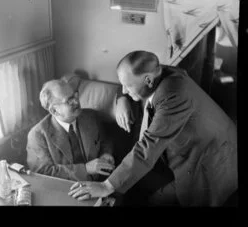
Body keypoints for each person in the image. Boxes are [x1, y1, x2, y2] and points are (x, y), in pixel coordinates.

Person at [68, 51, 237, 206]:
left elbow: (147, 148)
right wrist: (121, 99)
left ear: (148, 80)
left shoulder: (173, 96)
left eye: (128, 86)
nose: (125, 90)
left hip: (209, 160)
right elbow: (131, 78)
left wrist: (106, 186)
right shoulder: (161, 71)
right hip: (184, 152)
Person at [26, 79, 115, 182]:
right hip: (64, 191)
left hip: (99, 184)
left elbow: (105, 140)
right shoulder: (37, 135)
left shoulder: (91, 117)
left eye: (75, 95)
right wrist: (85, 169)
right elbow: (43, 172)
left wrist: (106, 154)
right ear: (54, 110)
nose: (76, 101)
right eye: (69, 100)